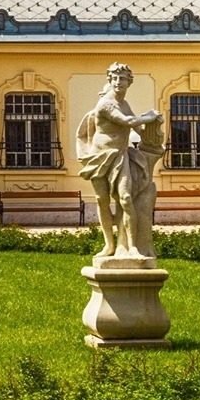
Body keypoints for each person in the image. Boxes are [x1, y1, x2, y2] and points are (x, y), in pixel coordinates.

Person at [76, 62, 163, 260]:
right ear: (109, 80)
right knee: (102, 200)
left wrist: (153, 132)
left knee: (125, 198)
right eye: (114, 78)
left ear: (129, 82)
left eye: (122, 78)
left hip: (120, 155)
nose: (118, 82)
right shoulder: (107, 103)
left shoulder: (124, 104)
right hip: (100, 157)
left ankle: (132, 247)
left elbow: (137, 128)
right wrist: (148, 117)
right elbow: (128, 122)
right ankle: (109, 245)